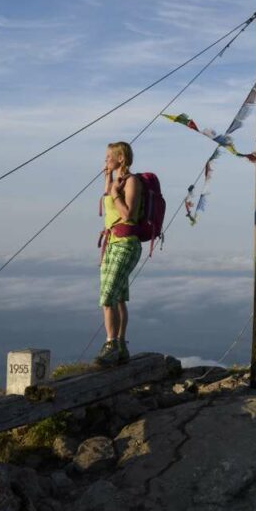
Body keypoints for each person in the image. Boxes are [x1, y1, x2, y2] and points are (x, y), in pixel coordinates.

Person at [96, 140, 143, 365]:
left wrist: (115, 192)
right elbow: (109, 204)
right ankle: (121, 345)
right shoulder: (116, 181)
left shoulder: (131, 182)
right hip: (113, 242)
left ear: (120, 158)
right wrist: (109, 181)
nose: (105, 160)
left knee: (108, 296)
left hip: (126, 244)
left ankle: (111, 344)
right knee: (119, 297)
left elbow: (129, 216)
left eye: (108, 157)